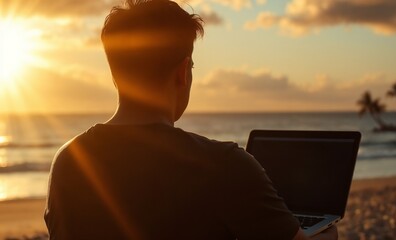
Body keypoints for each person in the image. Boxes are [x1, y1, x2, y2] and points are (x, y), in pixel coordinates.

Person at [44, 0, 338, 239]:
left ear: (114, 73)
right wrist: (330, 234)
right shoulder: (224, 164)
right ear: (183, 72)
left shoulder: (68, 160)